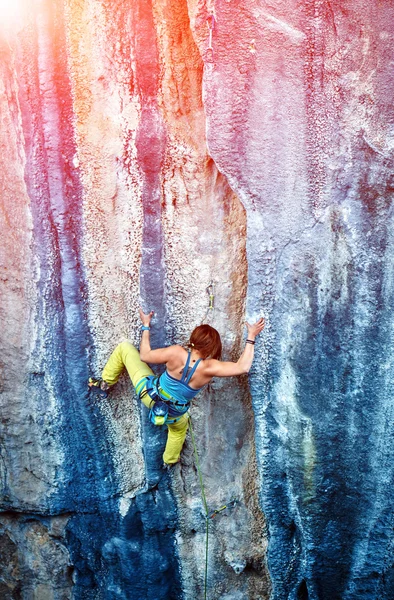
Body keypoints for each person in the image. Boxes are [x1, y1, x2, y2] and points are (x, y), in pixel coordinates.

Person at [89, 309, 265, 467]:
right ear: (212, 347)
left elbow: (145, 355)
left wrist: (145, 325)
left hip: (149, 396)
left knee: (124, 348)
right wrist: (251, 336)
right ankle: (170, 460)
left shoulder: (176, 352)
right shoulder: (210, 367)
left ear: (193, 339)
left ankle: (105, 383)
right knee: (178, 430)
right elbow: (243, 367)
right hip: (174, 413)